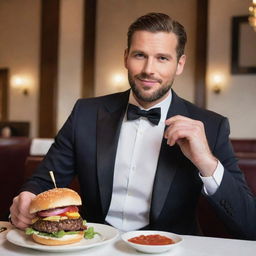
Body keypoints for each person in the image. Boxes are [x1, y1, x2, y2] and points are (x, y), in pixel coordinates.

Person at [10, 12, 256, 240]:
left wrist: (207, 163)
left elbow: (249, 224)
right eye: (140, 55)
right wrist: (28, 197)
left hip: (172, 249)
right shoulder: (85, 113)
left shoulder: (212, 126)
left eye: (162, 58)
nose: (149, 70)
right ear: (126, 57)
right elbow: (45, 180)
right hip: (95, 245)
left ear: (179, 64)